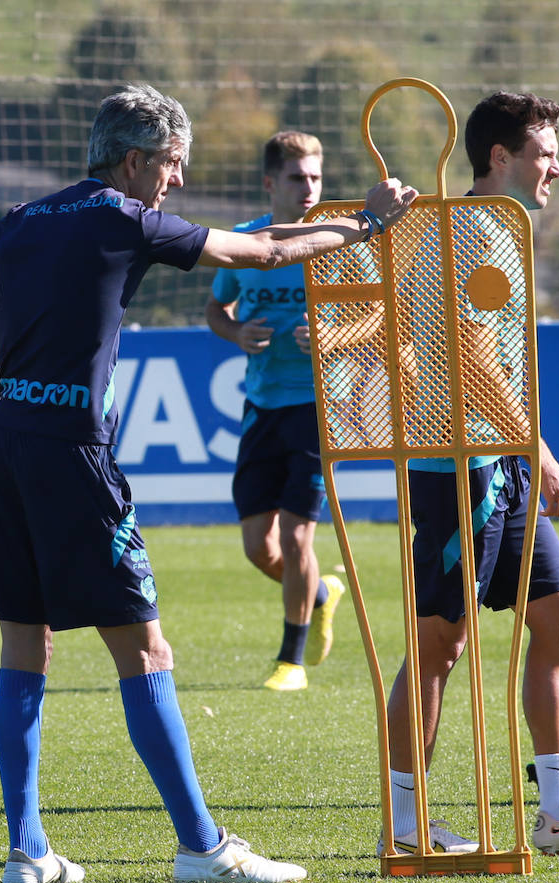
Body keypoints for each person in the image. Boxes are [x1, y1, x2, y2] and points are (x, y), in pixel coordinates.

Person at [0, 83, 417, 883]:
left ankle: (27, 853)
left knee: (24, 646)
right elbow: (264, 252)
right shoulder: (120, 217)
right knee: (144, 647)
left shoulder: (26, 218)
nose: (174, 182)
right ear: (136, 161)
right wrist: (367, 223)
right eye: (171, 166)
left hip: (11, 450)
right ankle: (203, 847)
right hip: (73, 453)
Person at [380, 91, 559, 858]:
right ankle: (405, 823)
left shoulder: (495, 231)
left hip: (501, 459)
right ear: (499, 158)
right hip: (459, 468)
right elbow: (466, 358)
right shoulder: (470, 236)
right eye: (543, 152)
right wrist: (546, 454)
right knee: (440, 643)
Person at [204, 131, 350, 692]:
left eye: (315, 177)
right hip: (261, 405)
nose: (309, 187)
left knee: (295, 540)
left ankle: (290, 661)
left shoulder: (338, 241)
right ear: (271, 184)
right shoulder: (243, 243)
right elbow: (216, 307)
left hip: (318, 408)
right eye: (297, 178)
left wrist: (336, 335)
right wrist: (237, 331)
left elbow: (377, 313)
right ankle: (318, 593)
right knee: (258, 548)